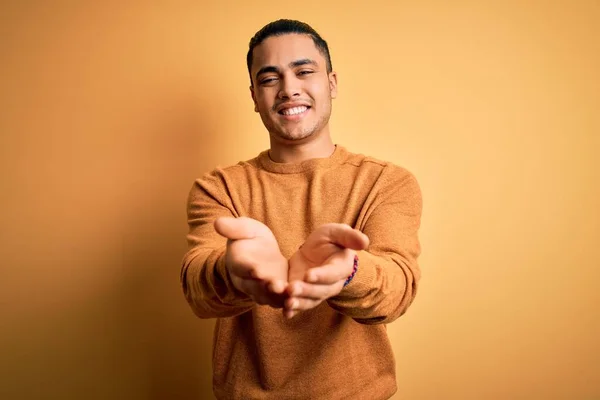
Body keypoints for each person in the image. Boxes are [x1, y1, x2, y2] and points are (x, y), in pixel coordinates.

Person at [180, 19, 423, 400]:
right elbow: (197, 287)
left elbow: (397, 290)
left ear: (331, 83)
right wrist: (232, 269)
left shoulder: (387, 182)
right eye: (269, 78)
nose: (289, 89)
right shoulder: (218, 188)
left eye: (304, 71)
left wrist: (349, 270)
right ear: (254, 95)